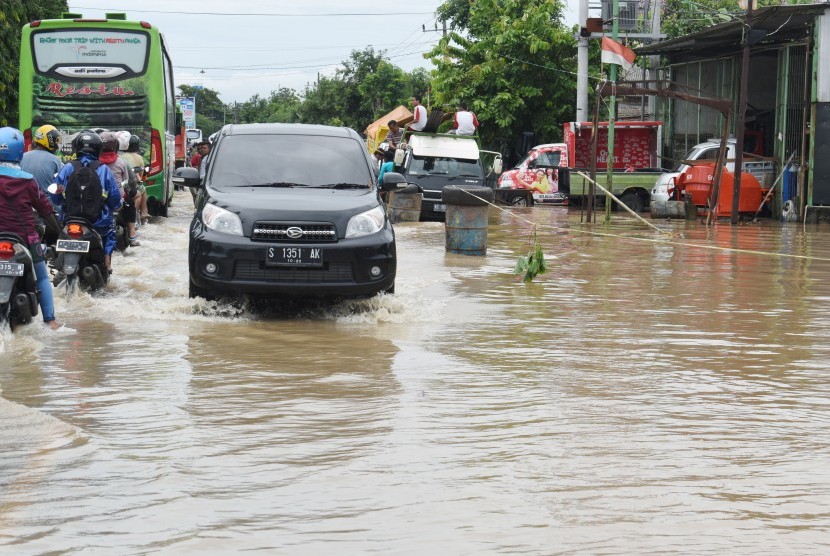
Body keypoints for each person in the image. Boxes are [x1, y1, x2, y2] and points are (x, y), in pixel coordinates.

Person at [0, 127, 63, 330]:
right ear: (19, 151)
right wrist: (59, 231)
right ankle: (50, 320)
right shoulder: (28, 181)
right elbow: (46, 210)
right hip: (26, 238)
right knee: (42, 276)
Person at [54, 130, 123, 273]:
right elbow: (115, 201)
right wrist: (118, 205)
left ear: (77, 148)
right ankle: (107, 261)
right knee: (110, 232)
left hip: (69, 220)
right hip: (98, 223)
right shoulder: (104, 170)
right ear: (98, 149)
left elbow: (55, 197)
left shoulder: (67, 167)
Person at [100, 132, 140, 247]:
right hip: (118, 197)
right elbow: (128, 181)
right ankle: (132, 234)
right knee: (130, 204)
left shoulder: (94, 162)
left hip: (98, 198)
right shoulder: (121, 162)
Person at [21, 124, 64, 195]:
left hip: (25, 203)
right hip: (48, 203)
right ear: (49, 140)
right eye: (56, 141)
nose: (57, 144)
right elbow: (64, 179)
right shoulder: (55, 160)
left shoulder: (22, 157)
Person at [122, 134, 149, 222]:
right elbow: (141, 176)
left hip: (120, 184)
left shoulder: (120, 156)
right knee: (143, 189)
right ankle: (143, 212)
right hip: (131, 185)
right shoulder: (139, 158)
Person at [190, 141, 211, 205]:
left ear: (210, 149)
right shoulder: (201, 157)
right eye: (199, 149)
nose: (202, 150)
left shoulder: (208, 158)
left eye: (204, 148)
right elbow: (191, 163)